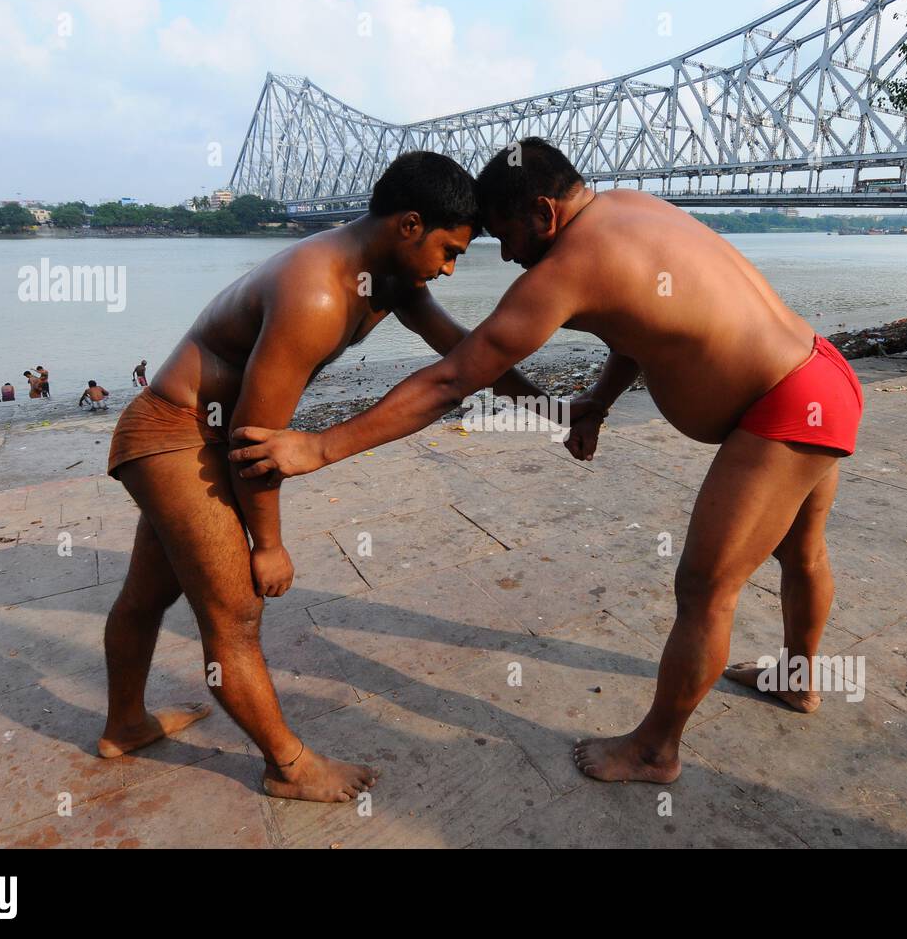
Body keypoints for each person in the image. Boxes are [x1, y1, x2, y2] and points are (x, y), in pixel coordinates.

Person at [229, 138, 865, 785]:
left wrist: (317, 445)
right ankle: (799, 677)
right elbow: (643, 323)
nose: (505, 256)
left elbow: (453, 380)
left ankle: (655, 749)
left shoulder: (567, 267)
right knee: (803, 552)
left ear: (543, 212)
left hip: (781, 410)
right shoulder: (628, 208)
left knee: (705, 589)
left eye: (504, 236)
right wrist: (594, 401)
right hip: (822, 375)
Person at [98, 152, 546, 803]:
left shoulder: (388, 278)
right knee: (237, 614)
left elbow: (467, 351)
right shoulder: (316, 291)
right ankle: (289, 765)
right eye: (448, 251)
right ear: (409, 224)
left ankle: (125, 723)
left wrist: (552, 406)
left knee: (146, 595)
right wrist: (268, 542)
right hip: (177, 433)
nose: (449, 268)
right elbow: (257, 443)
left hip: (200, 435)